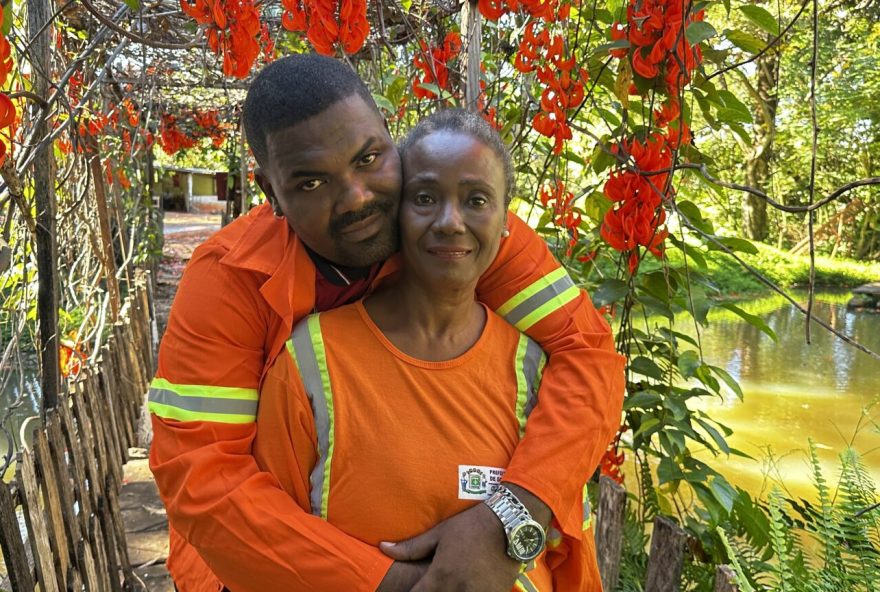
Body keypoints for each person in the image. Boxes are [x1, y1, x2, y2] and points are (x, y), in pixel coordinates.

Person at [148, 54, 625, 592]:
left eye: (369, 158)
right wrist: (396, 583)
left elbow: (588, 353)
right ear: (270, 193)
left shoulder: (454, 228)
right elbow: (203, 483)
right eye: (310, 184)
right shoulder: (228, 281)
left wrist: (510, 514)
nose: (355, 197)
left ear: (389, 139)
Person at [254, 109, 605, 591]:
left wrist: (502, 526)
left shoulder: (539, 372)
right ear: (394, 210)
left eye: (476, 200)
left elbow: (568, 552)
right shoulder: (310, 360)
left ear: (506, 221)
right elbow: (273, 549)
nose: (449, 222)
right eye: (424, 198)